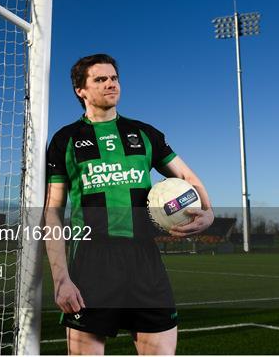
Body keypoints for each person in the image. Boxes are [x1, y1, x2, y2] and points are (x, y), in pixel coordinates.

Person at [44, 54, 214, 355]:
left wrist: (209, 213)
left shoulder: (145, 134)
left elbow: (188, 176)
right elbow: (53, 211)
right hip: (91, 262)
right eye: (100, 79)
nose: (111, 84)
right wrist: (61, 279)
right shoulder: (65, 139)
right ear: (80, 90)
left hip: (144, 260)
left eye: (114, 78)